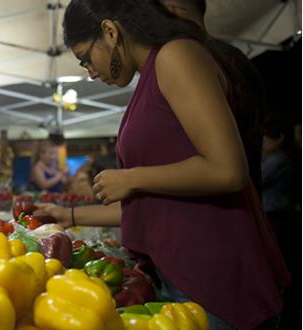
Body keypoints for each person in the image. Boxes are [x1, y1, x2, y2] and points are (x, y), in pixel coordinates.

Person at [35, 0, 290, 329]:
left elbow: (227, 170)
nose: (90, 72)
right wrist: (68, 216)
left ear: (110, 31)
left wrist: (133, 178)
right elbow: (153, 203)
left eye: (86, 57)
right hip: (181, 276)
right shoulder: (152, 74)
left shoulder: (176, 55)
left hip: (213, 279)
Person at [160, 0, 266, 194]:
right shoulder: (229, 55)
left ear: (170, 8)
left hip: (221, 205)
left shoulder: (193, 58)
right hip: (246, 198)